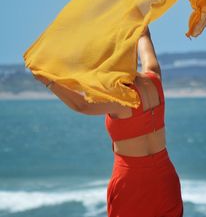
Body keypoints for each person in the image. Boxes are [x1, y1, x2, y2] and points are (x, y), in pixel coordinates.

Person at [34, 26, 184, 217]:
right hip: (165, 178)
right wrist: (136, 16)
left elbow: (82, 105)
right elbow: (144, 34)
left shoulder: (121, 98)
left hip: (131, 182)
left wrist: (47, 81)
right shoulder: (154, 78)